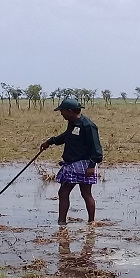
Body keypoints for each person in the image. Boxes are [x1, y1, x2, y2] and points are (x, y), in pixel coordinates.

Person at [40, 96, 102, 225]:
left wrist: (91, 166)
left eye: (62, 111)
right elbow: (66, 137)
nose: (61, 113)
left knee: (80, 192)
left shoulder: (88, 126)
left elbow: (96, 148)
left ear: (70, 111)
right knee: (66, 192)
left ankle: (88, 221)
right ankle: (64, 222)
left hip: (84, 164)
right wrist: (50, 141)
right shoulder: (73, 123)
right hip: (73, 163)